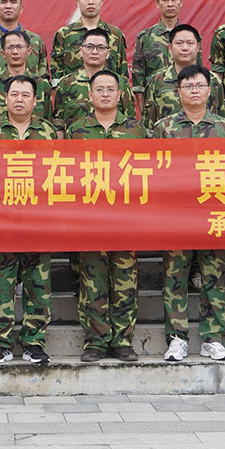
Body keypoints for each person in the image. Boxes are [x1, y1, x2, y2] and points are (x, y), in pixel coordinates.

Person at [151, 65, 225, 362]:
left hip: (215, 213)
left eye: (200, 85)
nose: (195, 91)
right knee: (175, 276)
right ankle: (177, 338)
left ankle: (213, 338)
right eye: (188, 86)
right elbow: (153, 170)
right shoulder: (164, 128)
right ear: (179, 92)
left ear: (209, 91)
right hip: (177, 215)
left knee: (213, 275)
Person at [66, 70, 146, 362]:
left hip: (126, 219)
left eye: (110, 89)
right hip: (90, 220)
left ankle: (123, 341)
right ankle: (96, 341)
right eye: (99, 89)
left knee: (125, 282)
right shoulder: (77, 130)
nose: (105, 94)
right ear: (90, 95)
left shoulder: (136, 129)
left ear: (120, 94)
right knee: (92, 282)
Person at [0, 75, 57, 365]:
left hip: (38, 220)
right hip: (2, 219)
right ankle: (0, 343)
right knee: (1, 283)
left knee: (38, 283)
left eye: (26, 95)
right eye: (14, 94)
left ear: (35, 101)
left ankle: (33, 342)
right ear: (5, 98)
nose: (19, 99)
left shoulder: (47, 132)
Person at [51, 27, 134, 136]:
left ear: (108, 53)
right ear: (81, 51)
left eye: (101, 47)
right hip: (76, 143)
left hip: (111, 144)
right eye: (89, 47)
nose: (95, 52)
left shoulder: (121, 83)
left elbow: (130, 124)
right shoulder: (66, 83)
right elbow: (59, 124)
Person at [142, 25, 224, 128]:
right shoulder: (157, 80)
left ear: (198, 47)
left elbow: (223, 120)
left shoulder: (213, 80)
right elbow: (149, 124)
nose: (185, 48)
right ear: (170, 48)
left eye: (190, 43)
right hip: (168, 136)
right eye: (179, 43)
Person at [51, 0, 128, 85]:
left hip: (106, 92)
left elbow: (122, 72)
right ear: (78, 2)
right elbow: (56, 77)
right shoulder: (64, 34)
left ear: (101, 1)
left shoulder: (115, 34)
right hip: (74, 93)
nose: (90, 2)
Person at [0, 29, 52, 127]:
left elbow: (48, 122)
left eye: (20, 47)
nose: (15, 52)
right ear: (3, 53)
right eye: (10, 47)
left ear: (29, 51)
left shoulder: (42, 85)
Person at [131, 0, 184, 112]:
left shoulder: (190, 37)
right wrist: (143, 112)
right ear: (157, 4)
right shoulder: (145, 37)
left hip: (184, 106)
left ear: (181, 2)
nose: (170, 4)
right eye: (165, 0)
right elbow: (138, 81)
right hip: (154, 107)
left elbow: (197, 73)